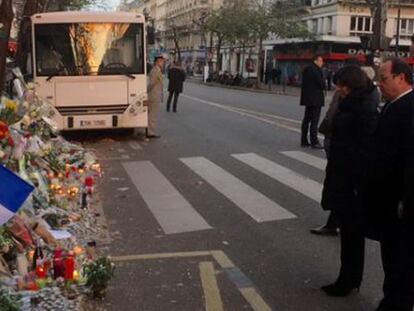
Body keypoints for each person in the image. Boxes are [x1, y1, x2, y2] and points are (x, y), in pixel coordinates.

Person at [320, 65, 379, 297]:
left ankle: (348, 280)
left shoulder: (364, 110)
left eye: (342, 86)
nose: (339, 90)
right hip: (344, 177)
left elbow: (364, 151)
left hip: (352, 182)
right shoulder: (354, 104)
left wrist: (357, 184)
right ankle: (348, 278)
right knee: (349, 234)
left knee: (352, 235)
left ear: (352, 85)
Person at [362, 58, 414, 311]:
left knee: (399, 259)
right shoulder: (394, 105)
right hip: (387, 198)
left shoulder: (409, 108)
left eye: (383, 78)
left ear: (401, 78)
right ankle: (392, 298)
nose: (378, 83)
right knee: (392, 256)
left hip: (398, 201)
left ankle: (396, 303)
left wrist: (405, 200)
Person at [300, 55, 325, 149]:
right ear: (316, 61)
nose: (322, 63)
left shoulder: (307, 69)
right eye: (321, 61)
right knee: (314, 121)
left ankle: (304, 140)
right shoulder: (316, 70)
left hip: (308, 98)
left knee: (307, 119)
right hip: (316, 98)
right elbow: (321, 84)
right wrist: (324, 84)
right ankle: (314, 141)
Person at [147, 55, 166, 138]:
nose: (162, 63)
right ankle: (150, 132)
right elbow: (151, 84)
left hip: (155, 94)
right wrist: (147, 92)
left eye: (162, 61)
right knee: (152, 115)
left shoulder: (157, 70)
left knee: (151, 114)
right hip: (154, 95)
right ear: (156, 62)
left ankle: (149, 130)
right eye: (160, 61)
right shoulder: (155, 71)